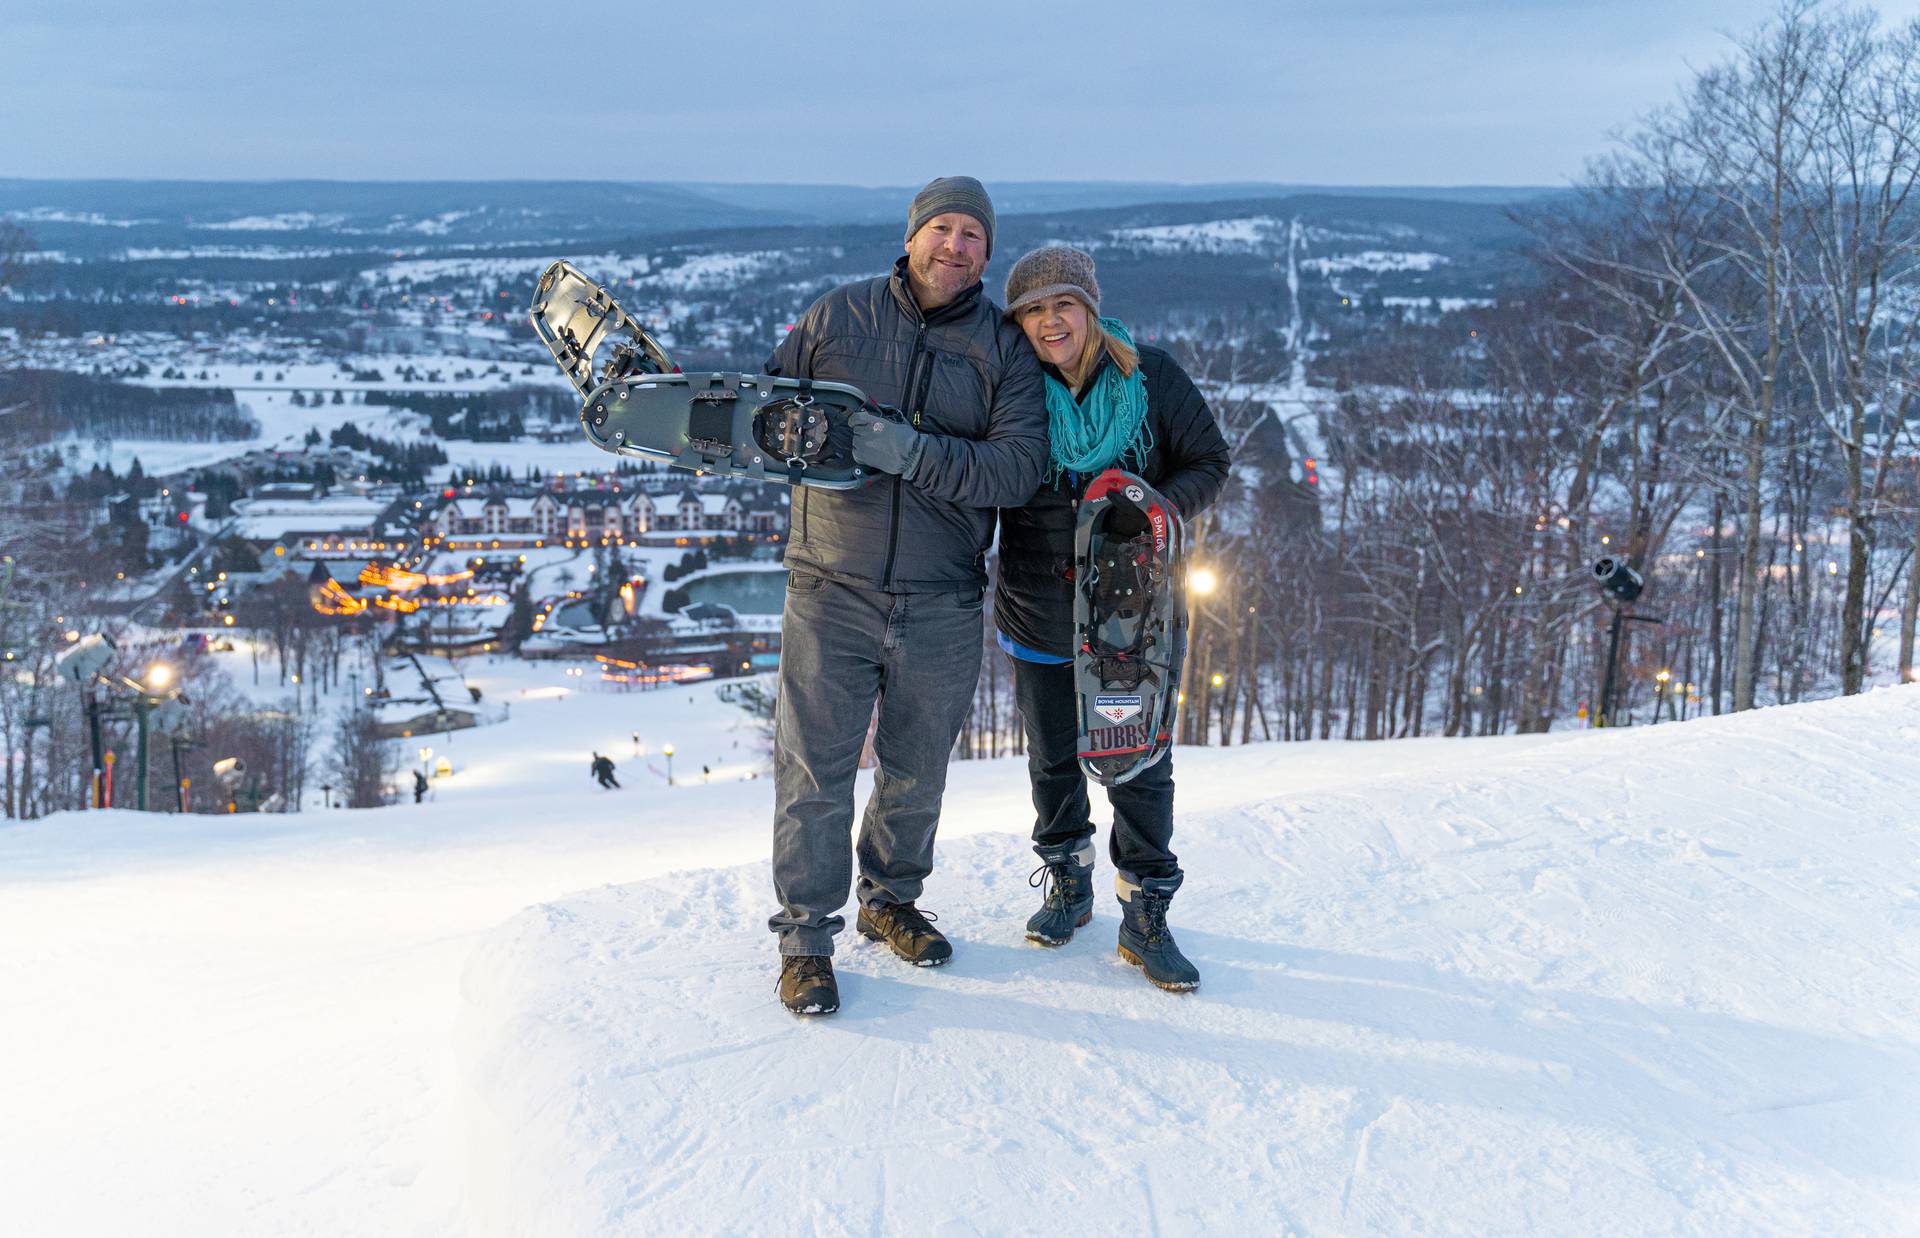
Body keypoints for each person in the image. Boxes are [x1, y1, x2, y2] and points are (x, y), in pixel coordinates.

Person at [764, 176, 1048, 1016]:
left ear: (987, 255)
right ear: (912, 232)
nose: (954, 246)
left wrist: (911, 451)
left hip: (942, 596)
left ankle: (890, 901)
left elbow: (1016, 469)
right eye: (942, 228)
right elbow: (772, 414)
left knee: (916, 770)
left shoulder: (1004, 349)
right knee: (814, 771)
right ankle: (807, 940)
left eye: (972, 235)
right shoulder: (837, 316)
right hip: (830, 583)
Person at [995, 245, 1231, 992]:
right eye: (1032, 311)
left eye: (1062, 304)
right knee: (1053, 759)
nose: (1049, 321)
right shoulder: (1012, 392)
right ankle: (1069, 881)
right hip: (1037, 609)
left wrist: (1150, 509)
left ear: (1090, 308)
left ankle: (1146, 909)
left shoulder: (1150, 376)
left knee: (1139, 759)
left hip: (1133, 614)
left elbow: (1209, 461)